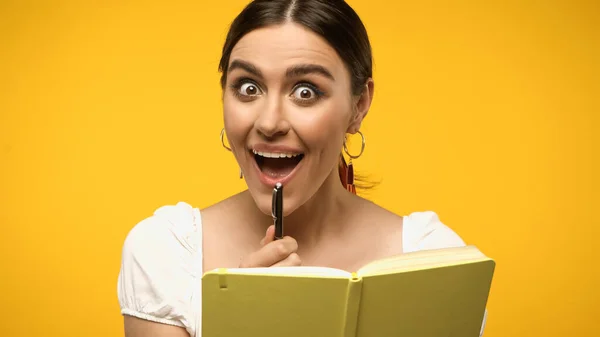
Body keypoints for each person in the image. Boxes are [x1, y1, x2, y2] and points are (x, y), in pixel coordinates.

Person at [117, 1, 484, 336]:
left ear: (358, 106)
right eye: (248, 87)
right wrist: (237, 322)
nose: (270, 121)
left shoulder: (431, 259)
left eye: (306, 91)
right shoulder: (165, 252)